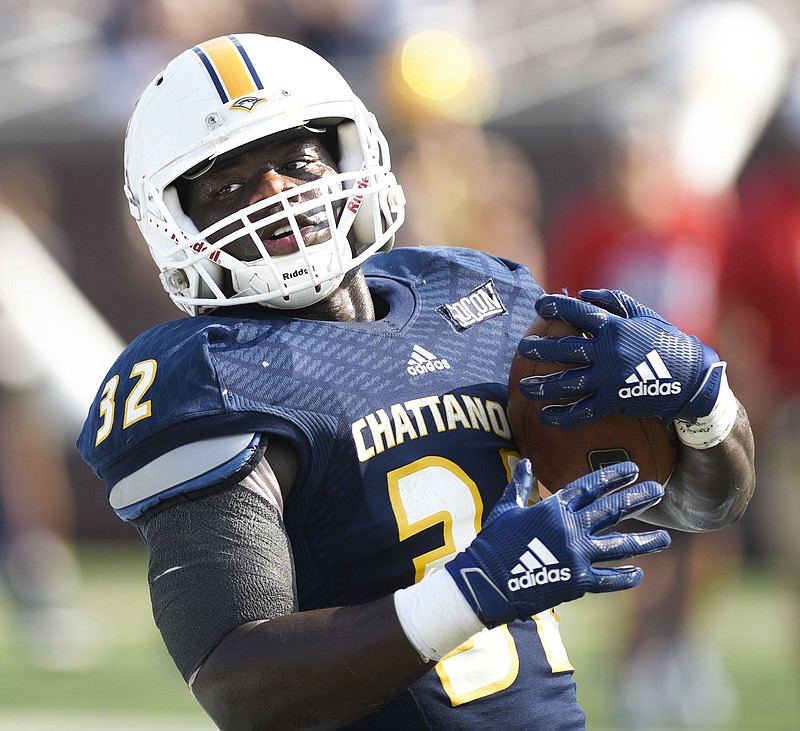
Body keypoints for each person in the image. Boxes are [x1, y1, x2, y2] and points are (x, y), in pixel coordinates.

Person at [77, 34, 755, 730]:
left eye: (296, 161)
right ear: (174, 221)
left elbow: (701, 506)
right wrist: (470, 592)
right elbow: (238, 685)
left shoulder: (479, 299)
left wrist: (704, 401)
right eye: (229, 186)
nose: (276, 193)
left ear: (353, 153)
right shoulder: (212, 374)